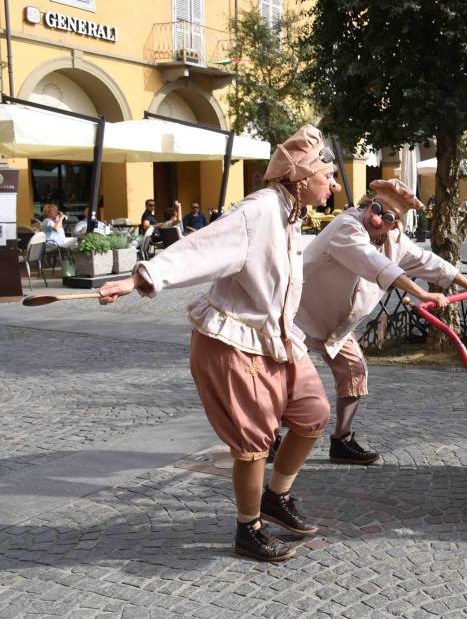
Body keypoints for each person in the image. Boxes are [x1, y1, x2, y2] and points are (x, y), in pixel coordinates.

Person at [98, 125, 341, 563]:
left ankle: (276, 495)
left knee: (313, 413)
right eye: (327, 174)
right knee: (253, 443)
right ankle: (248, 529)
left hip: (276, 338)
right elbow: (200, 248)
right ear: (302, 179)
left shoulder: (290, 213)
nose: (334, 183)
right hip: (233, 340)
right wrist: (140, 278)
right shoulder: (261, 210)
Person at [280, 180, 467, 465]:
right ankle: (267, 438)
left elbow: (427, 261)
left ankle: (342, 441)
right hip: (297, 314)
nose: (377, 219)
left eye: (388, 217)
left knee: (355, 370)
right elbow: (376, 265)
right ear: (368, 204)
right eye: (376, 209)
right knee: (286, 379)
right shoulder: (347, 226)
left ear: (396, 224)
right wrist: (421, 293)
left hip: (336, 325)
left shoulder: (394, 241)